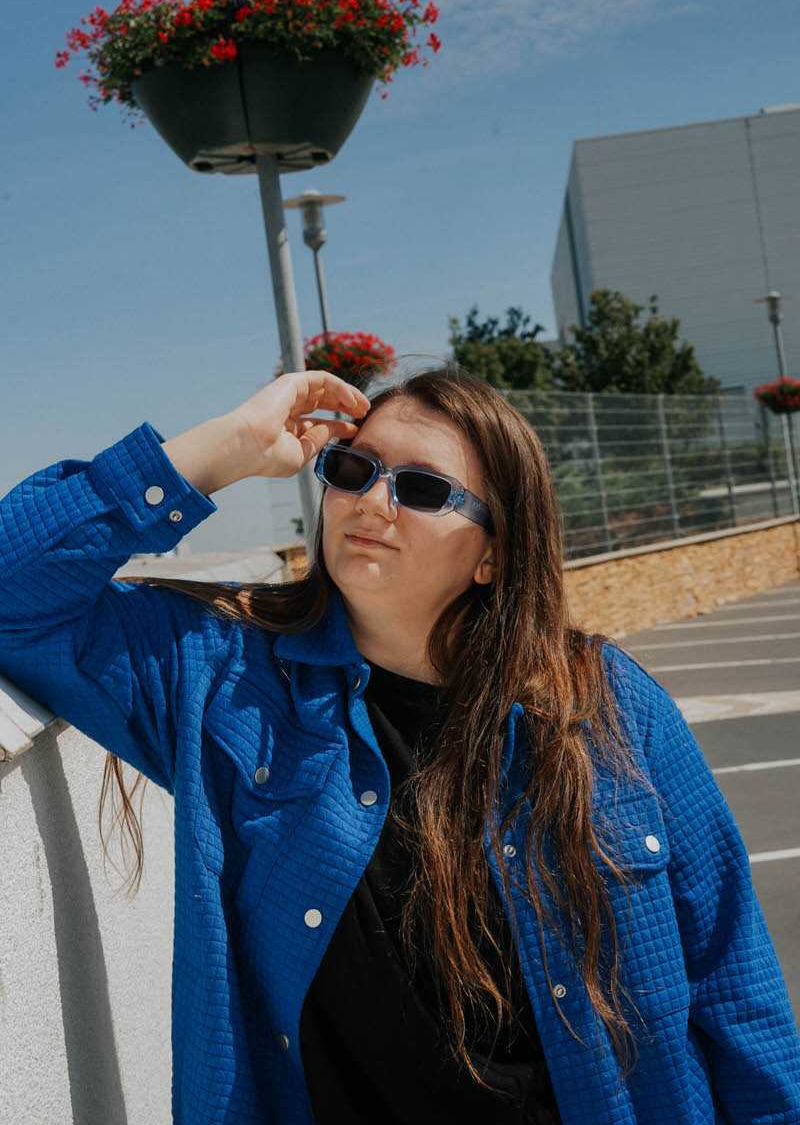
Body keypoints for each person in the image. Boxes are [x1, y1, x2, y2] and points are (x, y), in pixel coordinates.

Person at [0, 364, 798, 1125]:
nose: (371, 503)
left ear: (492, 554)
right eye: (353, 470)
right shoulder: (220, 676)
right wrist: (223, 449)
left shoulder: (610, 707)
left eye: (420, 489)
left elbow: (733, 983)